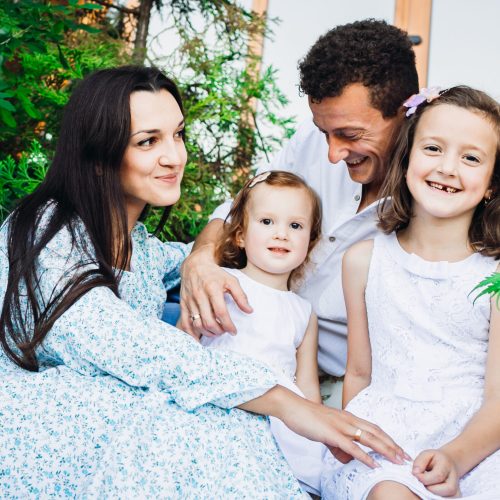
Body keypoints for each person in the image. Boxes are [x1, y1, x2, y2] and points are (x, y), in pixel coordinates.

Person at [0, 66, 406, 496]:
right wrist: (287, 403)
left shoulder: (142, 245)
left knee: (226, 426)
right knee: (214, 428)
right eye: (148, 141)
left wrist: (201, 258)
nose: (174, 156)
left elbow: (202, 255)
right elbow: (123, 342)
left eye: (178, 134)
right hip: (42, 424)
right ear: (98, 158)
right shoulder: (46, 229)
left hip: (116, 415)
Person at [179, 19, 419, 379]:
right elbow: (238, 208)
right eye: (325, 133)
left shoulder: (438, 194)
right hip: (232, 344)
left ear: (405, 111)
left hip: (333, 380)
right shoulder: (311, 136)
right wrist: (200, 259)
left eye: (350, 135)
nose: (334, 154)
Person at [321, 86, 500, 499]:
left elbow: (497, 398)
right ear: (406, 160)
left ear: (492, 183)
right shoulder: (363, 261)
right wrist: (353, 435)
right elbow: (360, 373)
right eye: (433, 148)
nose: (448, 168)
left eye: (471, 157)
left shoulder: (494, 280)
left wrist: (455, 456)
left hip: (475, 444)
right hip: (389, 440)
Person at [200, 170, 327, 495]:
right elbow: (185, 344)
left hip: (279, 418)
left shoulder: (303, 312)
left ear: (310, 242)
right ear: (240, 235)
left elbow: (307, 386)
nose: (281, 234)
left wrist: (321, 432)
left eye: (295, 226)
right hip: (222, 404)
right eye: (267, 222)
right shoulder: (222, 282)